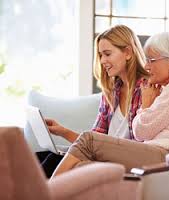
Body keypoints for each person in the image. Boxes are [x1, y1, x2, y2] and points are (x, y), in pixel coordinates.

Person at [51, 31, 169, 177]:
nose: (146, 66)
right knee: (82, 168)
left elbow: (141, 132)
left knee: (88, 140)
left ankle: (44, 193)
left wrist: (146, 105)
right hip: (165, 155)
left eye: (152, 60)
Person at [37, 24, 149, 178]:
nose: (102, 60)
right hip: (104, 156)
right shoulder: (111, 93)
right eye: (100, 55)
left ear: (128, 52)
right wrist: (62, 131)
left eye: (107, 54)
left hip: (126, 161)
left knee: (51, 161)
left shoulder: (147, 89)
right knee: (40, 157)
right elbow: (92, 142)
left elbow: (146, 145)